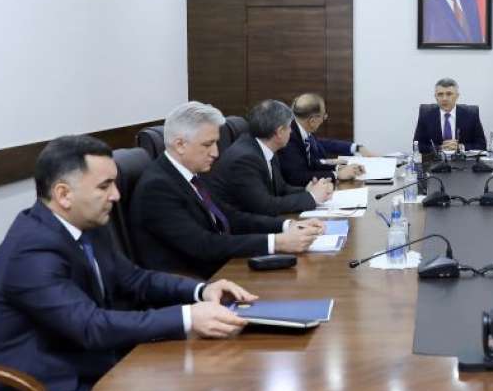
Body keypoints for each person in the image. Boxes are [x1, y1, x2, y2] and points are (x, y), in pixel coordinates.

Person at [0, 135, 257, 391]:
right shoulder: (31, 252)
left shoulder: (85, 226)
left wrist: (200, 291)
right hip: (43, 387)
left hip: (83, 359)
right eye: (105, 186)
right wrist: (188, 318)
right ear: (63, 194)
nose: (116, 195)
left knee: (194, 378)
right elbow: (90, 326)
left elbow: (135, 280)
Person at [131, 101, 323, 279]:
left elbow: (230, 217)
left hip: (219, 268)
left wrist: (287, 226)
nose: (216, 152)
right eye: (207, 144)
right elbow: (203, 244)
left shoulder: (190, 174)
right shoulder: (158, 187)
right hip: (194, 283)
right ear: (180, 145)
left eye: (216, 143)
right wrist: (278, 242)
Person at [207, 99, 334, 216]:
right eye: (289, 127)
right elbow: (266, 206)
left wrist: (307, 190)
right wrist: (312, 197)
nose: (291, 131)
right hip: (244, 228)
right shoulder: (245, 159)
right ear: (279, 132)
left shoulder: (265, 148)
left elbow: (281, 188)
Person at [280, 93, 374, 187]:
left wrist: (339, 168)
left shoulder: (302, 128)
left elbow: (313, 162)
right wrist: (337, 174)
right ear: (312, 121)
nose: (323, 119)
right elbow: (297, 177)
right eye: (323, 116)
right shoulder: (289, 137)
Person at [412, 77, 488, 154]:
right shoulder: (426, 116)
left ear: (457, 96)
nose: (444, 99)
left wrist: (460, 147)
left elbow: (482, 145)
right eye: (440, 94)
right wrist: (439, 148)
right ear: (435, 97)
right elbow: (417, 145)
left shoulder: (471, 115)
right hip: (435, 160)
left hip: (463, 160)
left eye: (449, 94)